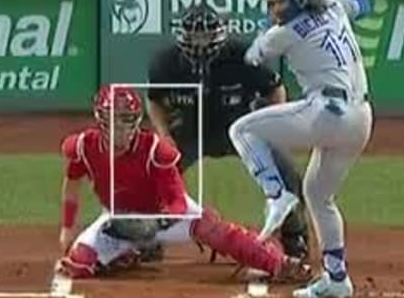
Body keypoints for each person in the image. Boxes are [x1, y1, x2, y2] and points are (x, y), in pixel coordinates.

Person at [229, 0, 375, 298]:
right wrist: (325, 4)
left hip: (327, 113)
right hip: (360, 120)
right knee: (319, 195)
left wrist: (266, 30)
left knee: (242, 129)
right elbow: (363, 4)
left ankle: (276, 193)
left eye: (278, 3)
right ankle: (336, 278)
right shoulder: (333, 8)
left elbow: (254, 56)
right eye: (270, 4)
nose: (273, 10)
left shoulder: (284, 33)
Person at [57, 85, 293, 284]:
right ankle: (129, 252)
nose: (121, 127)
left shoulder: (155, 150)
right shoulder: (82, 147)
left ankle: (276, 261)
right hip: (118, 219)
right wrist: (67, 227)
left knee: (210, 229)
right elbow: (72, 183)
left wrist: (155, 224)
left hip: (165, 215)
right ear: (101, 120)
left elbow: (176, 201)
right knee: (79, 264)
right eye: (114, 120)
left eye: (127, 120)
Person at [145, 3, 310, 261]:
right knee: (153, 170)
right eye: (194, 35)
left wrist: (276, 124)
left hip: (240, 128)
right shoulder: (166, 63)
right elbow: (154, 101)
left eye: (206, 35)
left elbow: (274, 88)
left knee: (285, 173)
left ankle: (294, 234)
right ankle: (148, 236)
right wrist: (164, 135)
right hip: (191, 129)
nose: (200, 42)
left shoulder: (244, 56)